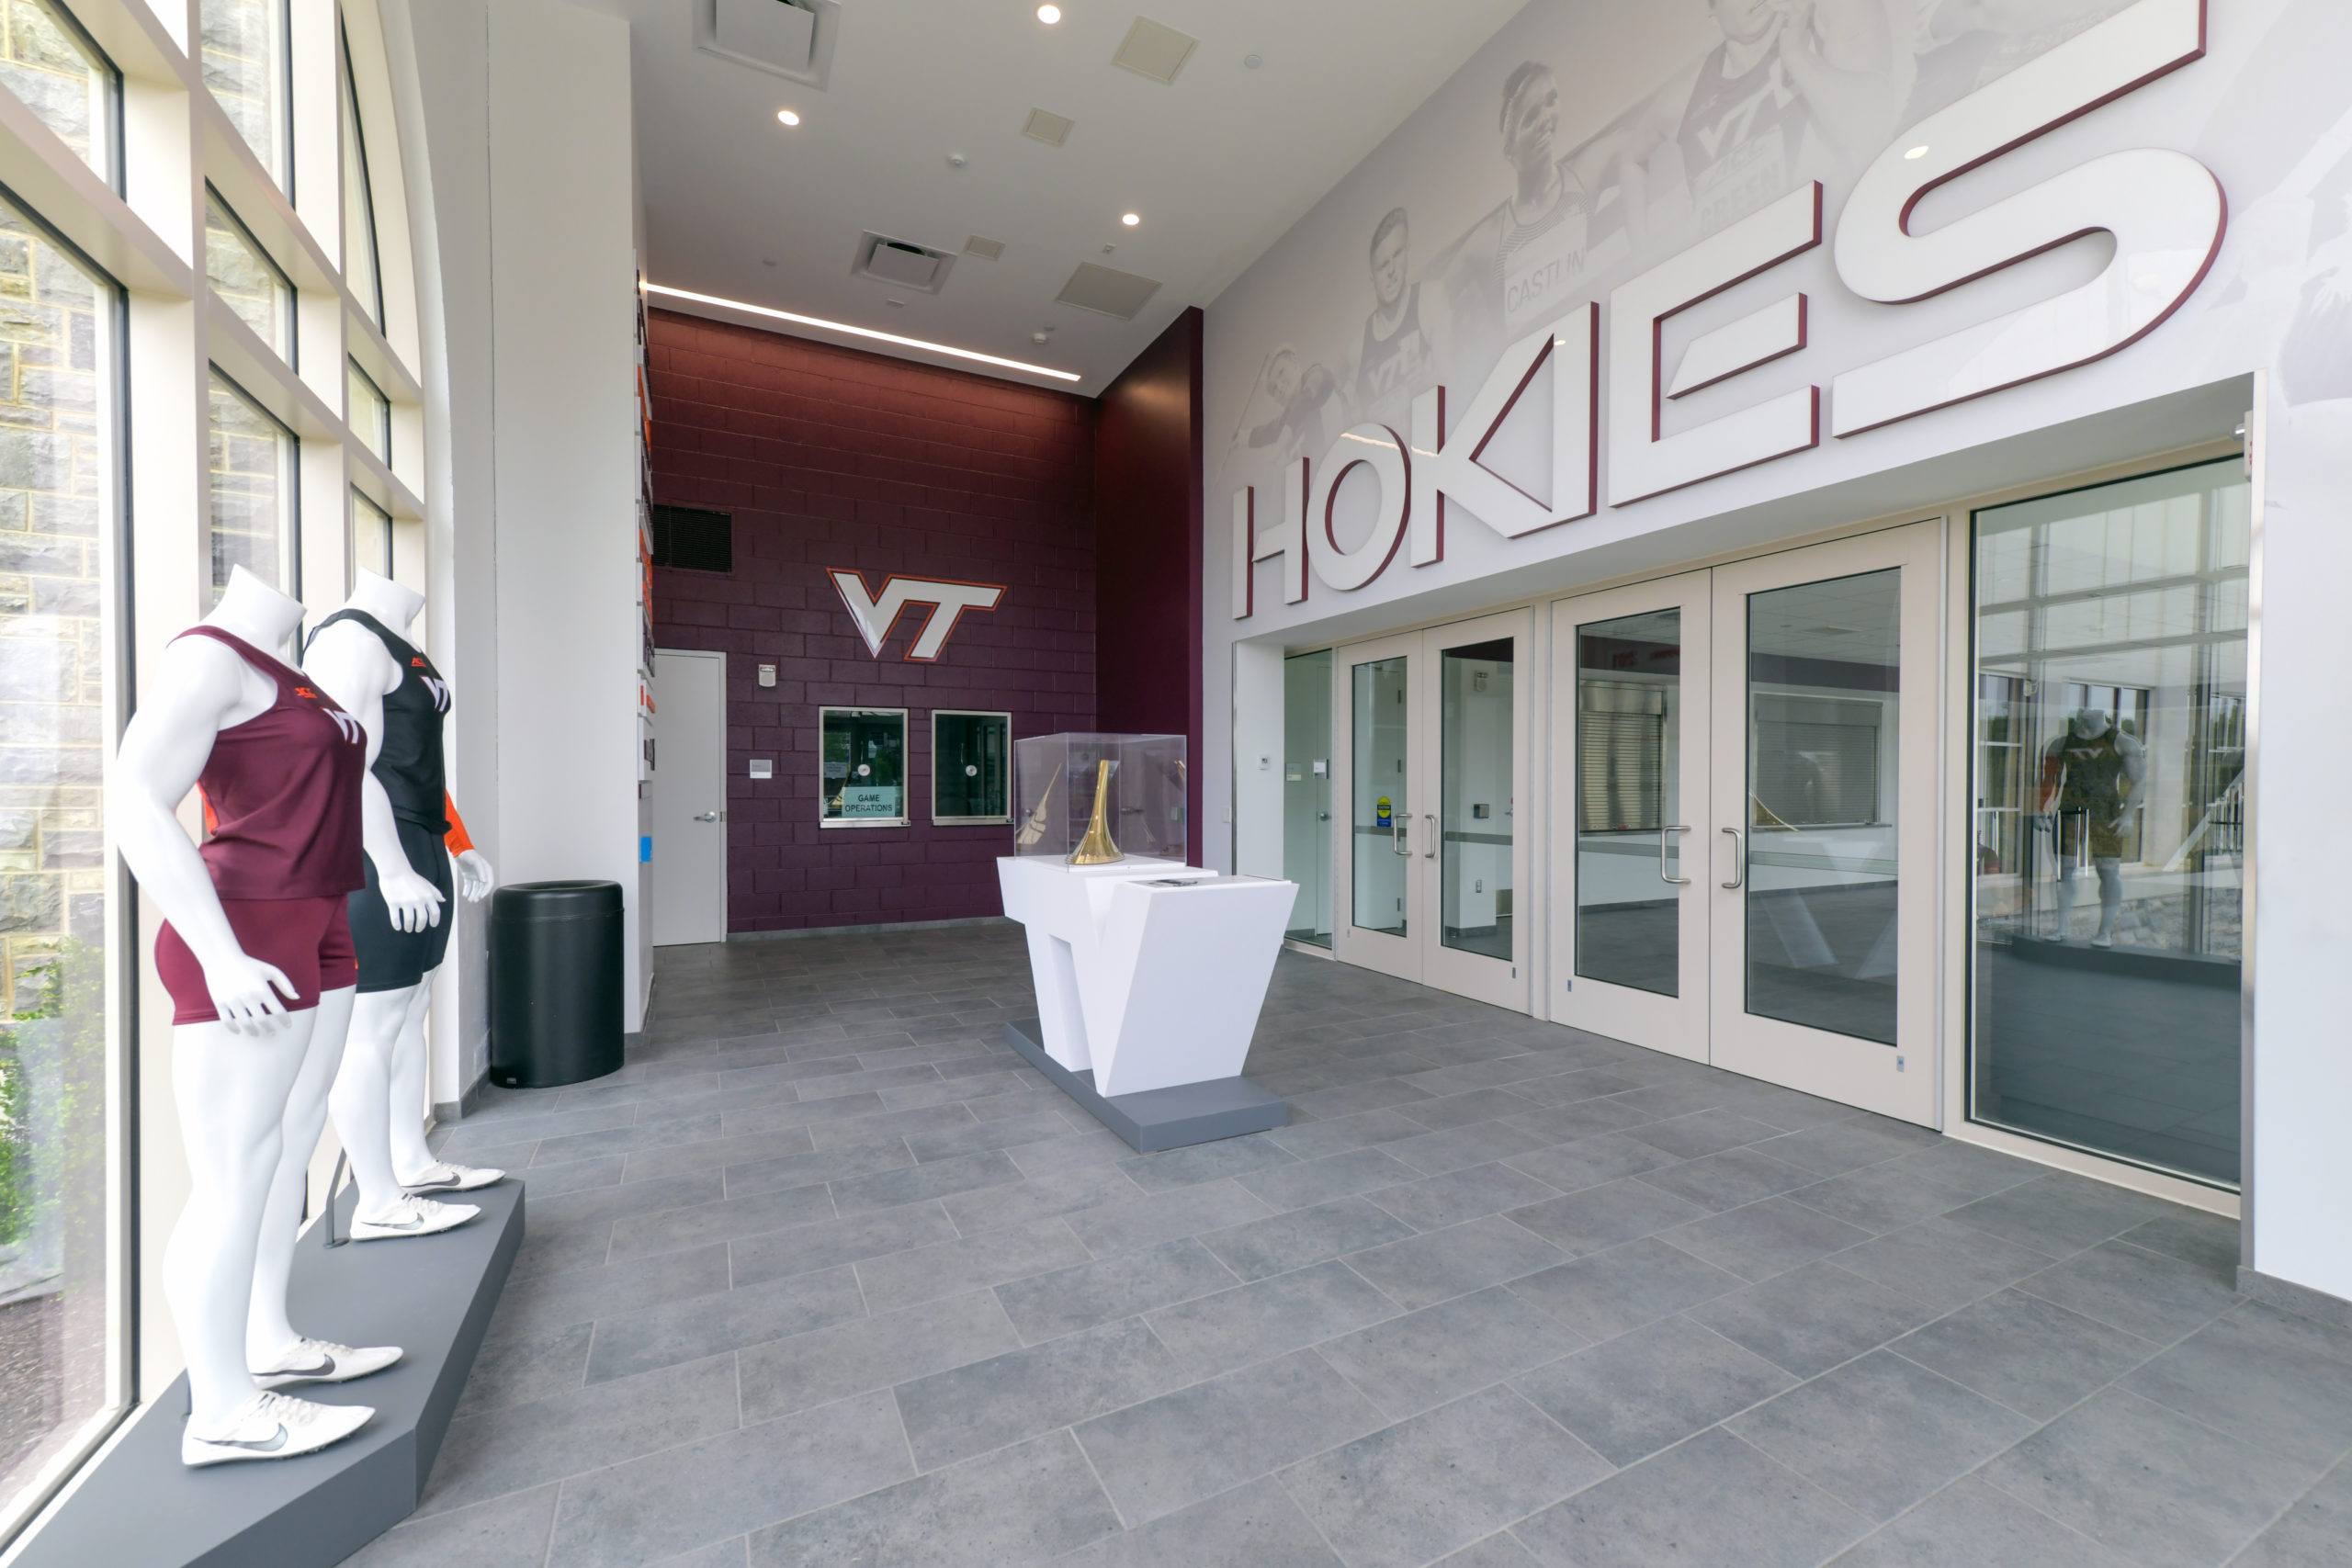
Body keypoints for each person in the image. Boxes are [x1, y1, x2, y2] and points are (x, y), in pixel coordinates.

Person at [1430, 61, 1637, 378]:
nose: (1545, 121)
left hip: (1595, 362)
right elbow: (1435, 301)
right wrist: (1444, 378)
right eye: (1529, 118)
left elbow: (1639, 140)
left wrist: (1643, 253)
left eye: (1551, 101)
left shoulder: (1584, 176)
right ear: (1509, 150)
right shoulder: (1490, 239)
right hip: (1528, 386)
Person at [1351, 208, 1435, 432]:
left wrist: (1429, 381)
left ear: (1408, 252)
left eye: (1397, 255)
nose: (1391, 271)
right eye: (1382, 266)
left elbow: (1455, 379)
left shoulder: (1429, 300)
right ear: (1372, 278)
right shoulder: (1358, 346)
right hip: (1390, 460)